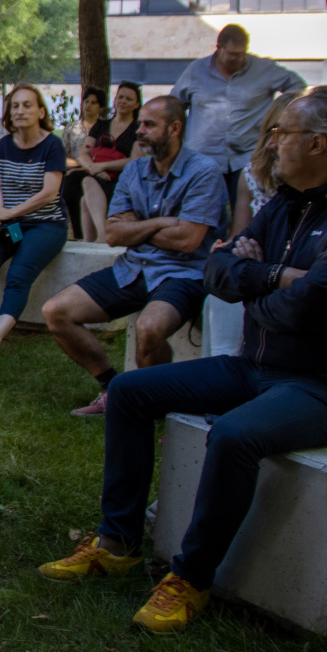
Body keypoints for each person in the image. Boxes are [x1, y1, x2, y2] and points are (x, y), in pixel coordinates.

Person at [40, 85, 327, 634]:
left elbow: (305, 310)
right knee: (130, 392)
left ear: (320, 144)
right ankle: (117, 542)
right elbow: (217, 273)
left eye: (282, 132)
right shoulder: (291, 202)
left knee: (235, 435)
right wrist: (275, 278)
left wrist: (257, 282)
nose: (272, 141)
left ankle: (191, 577)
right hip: (262, 366)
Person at [40, 96, 226, 417]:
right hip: (133, 267)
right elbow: (113, 234)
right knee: (56, 311)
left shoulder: (203, 172)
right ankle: (115, 388)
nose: (139, 131)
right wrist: (161, 223)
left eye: (149, 125)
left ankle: (155, 404)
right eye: (140, 124)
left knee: (149, 328)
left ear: (175, 128)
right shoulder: (134, 170)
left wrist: (137, 227)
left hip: (183, 274)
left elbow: (187, 239)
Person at [0, 85, 69, 355]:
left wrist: (9, 213)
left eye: (27, 105)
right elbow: (0, 187)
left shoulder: (52, 145)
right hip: (12, 224)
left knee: (18, 273)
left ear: (41, 112)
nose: (20, 111)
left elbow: (49, 194)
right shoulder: (5, 144)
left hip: (46, 224)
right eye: (15, 106)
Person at [170, 23, 307, 218]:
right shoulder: (195, 71)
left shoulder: (264, 69)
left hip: (248, 156)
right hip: (203, 157)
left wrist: (278, 116)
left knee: (247, 215)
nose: (239, 59)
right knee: (203, 214)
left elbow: (298, 87)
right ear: (219, 48)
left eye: (242, 53)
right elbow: (175, 105)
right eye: (233, 54)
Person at [75, 81, 144, 243]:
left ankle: (102, 235)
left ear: (137, 104)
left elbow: (135, 160)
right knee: (85, 195)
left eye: (129, 99)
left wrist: (102, 166)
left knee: (87, 186)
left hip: (121, 180)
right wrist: (94, 167)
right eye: (120, 97)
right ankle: (90, 242)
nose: (123, 101)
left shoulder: (138, 129)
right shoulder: (101, 125)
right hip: (98, 175)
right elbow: (83, 152)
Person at [228, 93, 299, 235]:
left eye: (284, 134)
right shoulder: (253, 175)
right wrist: (224, 250)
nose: (272, 144)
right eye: (272, 133)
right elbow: (238, 237)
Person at [61, 87, 104, 240]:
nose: (89, 105)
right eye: (86, 101)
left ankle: (81, 235)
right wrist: (80, 164)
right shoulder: (72, 129)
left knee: (73, 184)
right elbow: (62, 157)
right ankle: (74, 233)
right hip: (74, 169)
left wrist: (83, 167)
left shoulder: (103, 128)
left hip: (95, 170)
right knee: (70, 182)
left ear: (101, 107)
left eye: (93, 102)